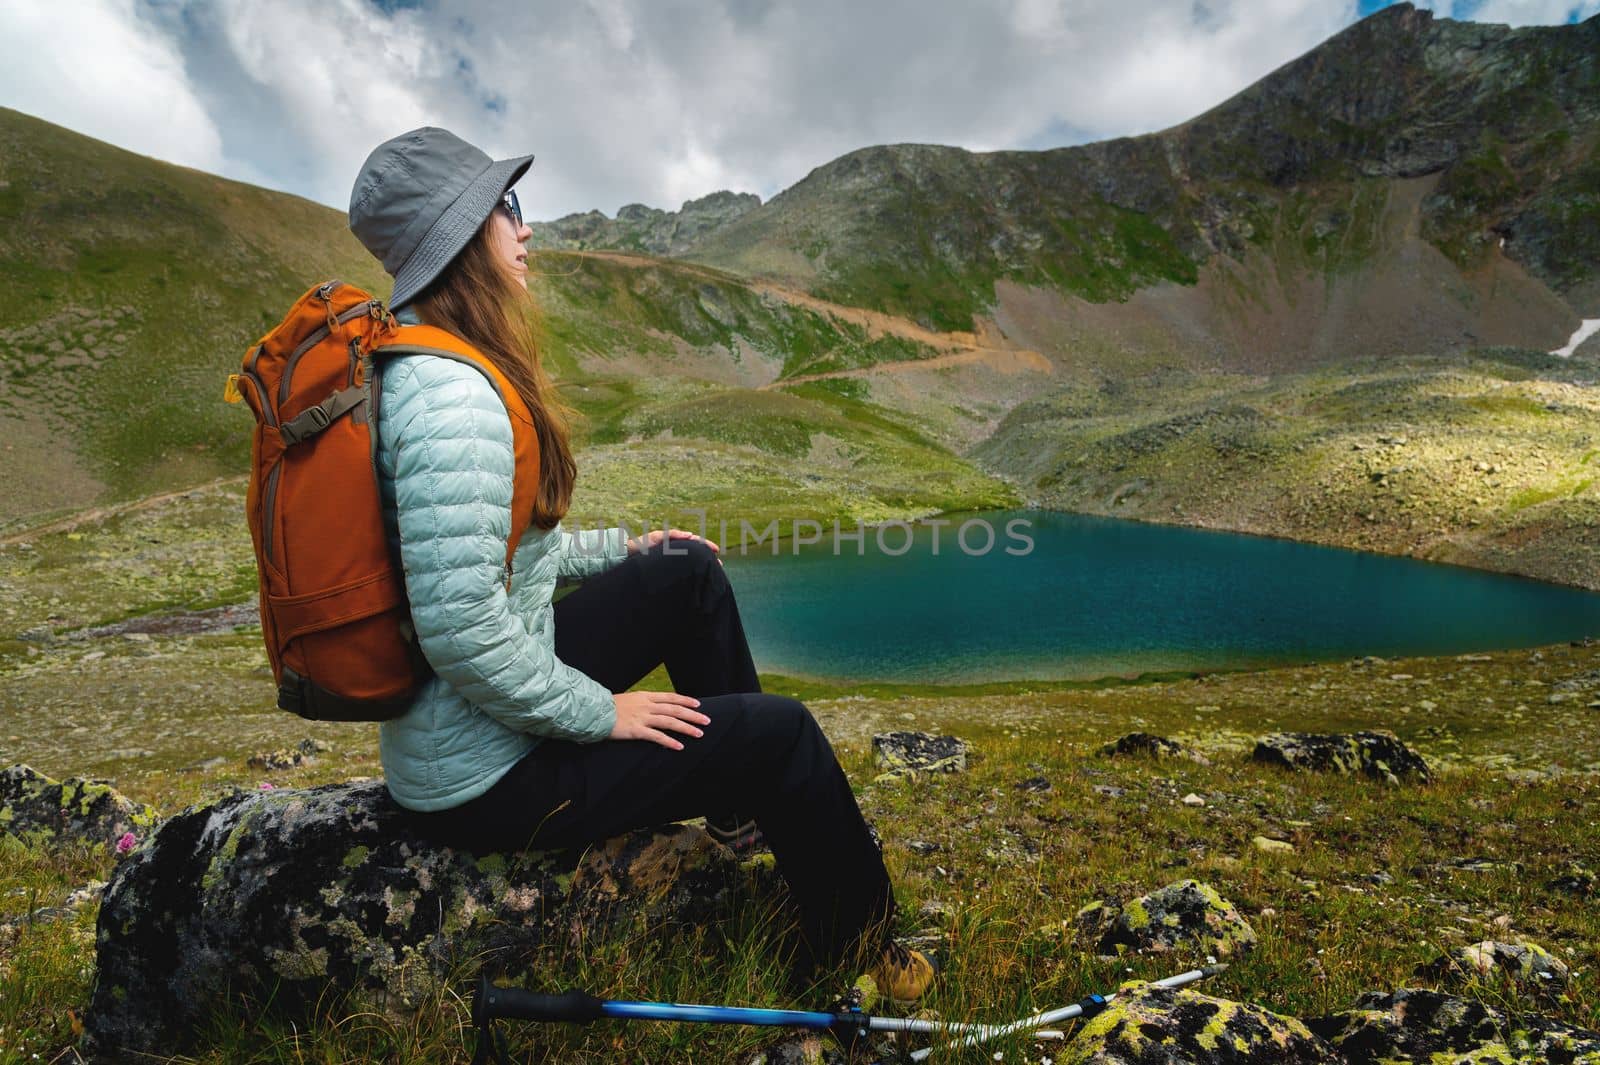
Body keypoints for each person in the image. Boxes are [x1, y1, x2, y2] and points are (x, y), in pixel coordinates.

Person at [346, 127, 935, 1002]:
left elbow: (499, 553)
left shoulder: (431, 361)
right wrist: (603, 713)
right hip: (485, 776)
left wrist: (623, 550)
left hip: (474, 722)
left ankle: (739, 810)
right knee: (786, 732)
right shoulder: (452, 400)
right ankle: (864, 960)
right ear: (464, 233)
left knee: (684, 577)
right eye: (507, 208)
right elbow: (461, 631)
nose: (525, 228)